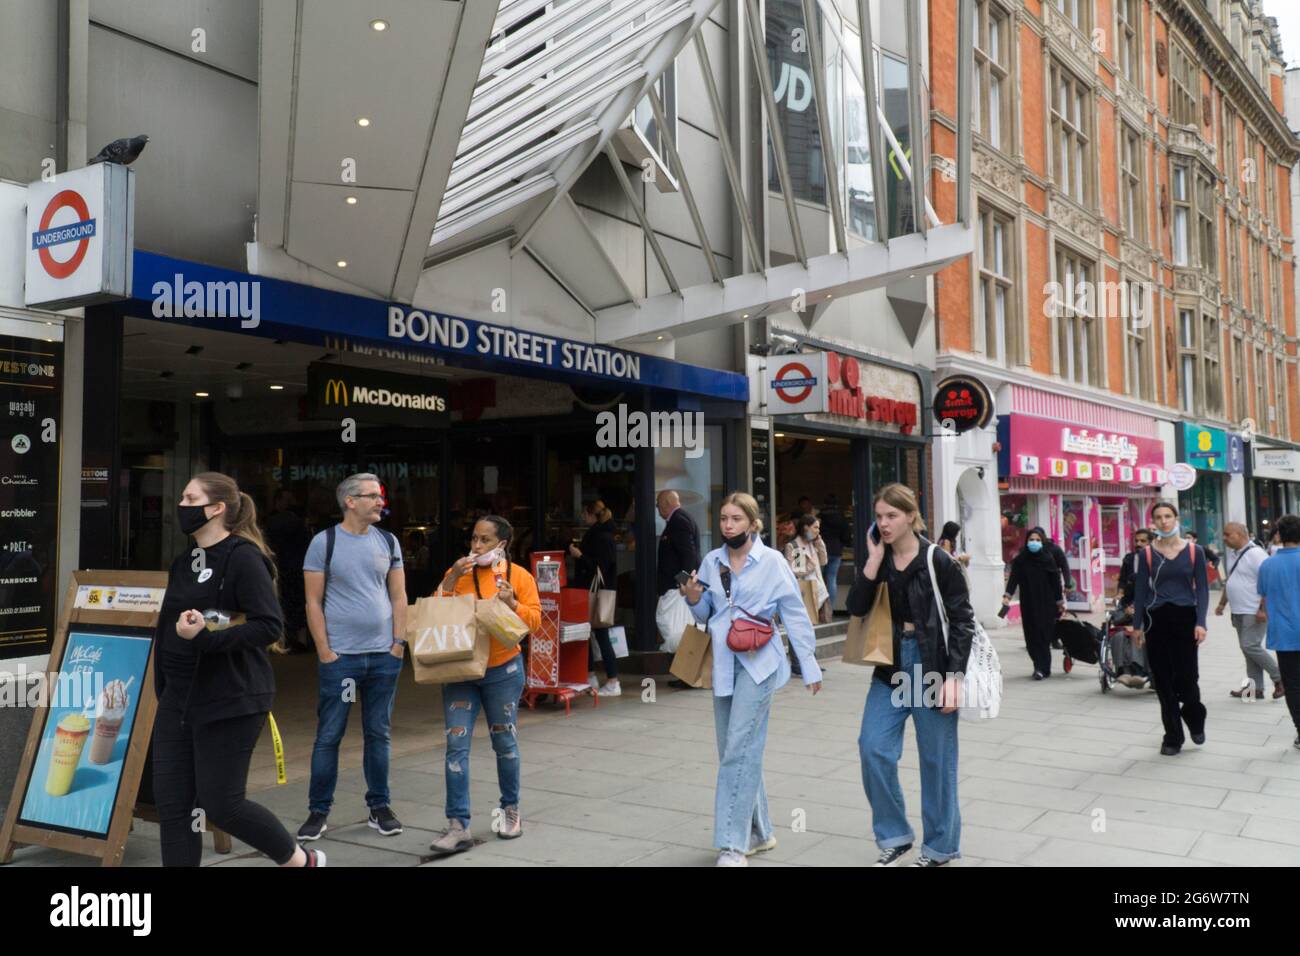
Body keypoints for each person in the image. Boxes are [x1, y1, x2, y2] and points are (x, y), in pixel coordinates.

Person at [153, 472, 323, 867]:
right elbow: (173, 623)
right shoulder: (183, 563)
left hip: (230, 698)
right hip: (179, 700)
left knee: (221, 804)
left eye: (189, 497)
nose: (181, 504)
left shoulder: (244, 558)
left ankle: (299, 861)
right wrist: (165, 682)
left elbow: (268, 625)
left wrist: (205, 636)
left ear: (217, 509)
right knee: (174, 807)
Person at [681, 492, 822, 867]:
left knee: (739, 749)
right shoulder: (712, 562)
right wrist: (693, 597)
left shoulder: (773, 562)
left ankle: (732, 844)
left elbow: (794, 612)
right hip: (723, 664)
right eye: (724, 519)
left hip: (760, 664)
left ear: (752, 523)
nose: (727, 525)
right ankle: (761, 831)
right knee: (734, 750)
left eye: (736, 519)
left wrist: (808, 665)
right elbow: (706, 610)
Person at [847, 483, 974, 867]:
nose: (884, 524)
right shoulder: (880, 559)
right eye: (880, 516)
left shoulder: (938, 561)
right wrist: (871, 560)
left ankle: (939, 848)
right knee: (872, 747)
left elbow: (962, 621)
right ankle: (895, 835)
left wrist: (955, 677)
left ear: (910, 516)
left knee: (937, 760)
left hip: (929, 662)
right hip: (890, 666)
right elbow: (855, 606)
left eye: (892, 516)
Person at [298, 474, 408, 842]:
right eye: (373, 496)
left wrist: (398, 644)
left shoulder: (388, 541)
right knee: (330, 735)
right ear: (350, 501)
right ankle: (318, 811)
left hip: (383, 657)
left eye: (381, 496)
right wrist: (325, 651)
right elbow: (312, 601)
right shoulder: (323, 542)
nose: (381, 502)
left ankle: (380, 807)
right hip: (341, 658)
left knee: (379, 733)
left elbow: (399, 597)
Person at [428, 515, 542, 855]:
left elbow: (535, 621)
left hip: (503, 670)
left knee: (504, 742)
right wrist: (450, 579)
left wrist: (512, 603)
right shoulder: (459, 575)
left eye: (485, 540)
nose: (476, 546)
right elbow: (435, 614)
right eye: (474, 539)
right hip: (461, 671)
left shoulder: (518, 576)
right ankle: (457, 825)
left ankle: (510, 811)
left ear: (502, 544)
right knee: (455, 746)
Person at [1133, 500, 1209, 756]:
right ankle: (1172, 737)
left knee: (1188, 679)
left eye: (1168, 516)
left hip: (1185, 619)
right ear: (1153, 522)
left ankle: (1195, 719)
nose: (1163, 521)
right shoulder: (1146, 554)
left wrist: (1201, 622)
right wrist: (1137, 626)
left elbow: (1203, 589)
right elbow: (1141, 589)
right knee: (1163, 681)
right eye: (1158, 517)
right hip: (1156, 620)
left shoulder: (1194, 551)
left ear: (1176, 519)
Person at [1215, 522, 1282, 701]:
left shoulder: (1256, 554)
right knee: (1248, 650)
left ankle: (1279, 678)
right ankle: (1255, 689)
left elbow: (1269, 581)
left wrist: (1263, 608)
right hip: (1238, 609)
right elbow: (1231, 580)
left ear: (1240, 534)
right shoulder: (1233, 554)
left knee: (1249, 645)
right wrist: (1222, 603)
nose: (1224, 538)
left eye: (1228, 534)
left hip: (1253, 610)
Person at [1256, 514, 1300, 752]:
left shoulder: (1268, 564)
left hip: (1284, 634)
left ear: (1279, 535)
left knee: (1293, 685)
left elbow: (1263, 596)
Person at [571, 499, 621, 697]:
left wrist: (579, 555)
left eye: (585, 513)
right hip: (598, 592)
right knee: (592, 634)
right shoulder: (603, 535)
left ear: (593, 515)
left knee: (600, 636)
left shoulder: (601, 537)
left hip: (597, 593)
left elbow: (599, 568)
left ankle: (612, 681)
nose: (583, 517)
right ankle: (592, 676)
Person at [1001, 528, 1065, 679]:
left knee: (1043, 635)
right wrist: (1007, 596)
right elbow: (1013, 579)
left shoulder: (1048, 559)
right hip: (1028, 603)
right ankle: (1038, 665)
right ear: (1026, 542)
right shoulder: (1021, 560)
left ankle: (1042, 668)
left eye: (1037, 540)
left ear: (1042, 542)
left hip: (1046, 604)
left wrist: (1059, 602)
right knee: (1031, 636)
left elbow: (1055, 582)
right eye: (1031, 540)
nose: (1034, 543)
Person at [656, 490, 702, 687]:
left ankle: (688, 675)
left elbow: (689, 554)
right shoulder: (681, 519)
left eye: (658, 505)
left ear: (666, 504)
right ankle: (686, 674)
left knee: (675, 629)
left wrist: (685, 582)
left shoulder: (679, 521)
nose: (657, 509)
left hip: (678, 588)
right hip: (677, 586)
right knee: (678, 629)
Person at [265, 489, 312, 652]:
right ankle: (299, 640)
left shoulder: (273, 522)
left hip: (283, 568)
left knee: (284, 603)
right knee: (298, 603)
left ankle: (283, 640)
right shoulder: (296, 522)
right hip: (295, 568)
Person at [783, 513, 830, 624]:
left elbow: (824, 561)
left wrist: (820, 543)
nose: (818, 530)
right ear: (805, 527)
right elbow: (798, 572)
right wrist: (810, 566)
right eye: (815, 527)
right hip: (806, 593)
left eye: (818, 528)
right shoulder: (795, 546)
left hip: (821, 592)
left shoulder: (813, 543)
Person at [818, 495, 849, 611]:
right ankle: (830, 608)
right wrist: (842, 544)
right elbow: (846, 535)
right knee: (832, 579)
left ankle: (819, 607)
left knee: (819, 578)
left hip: (821, 550)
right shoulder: (841, 517)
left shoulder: (820, 517)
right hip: (836, 550)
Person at [1117, 528, 1153, 611]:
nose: (1138, 544)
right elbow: (1122, 580)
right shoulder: (1129, 558)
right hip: (1130, 598)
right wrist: (1120, 594)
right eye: (1136, 541)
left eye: (1142, 541)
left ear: (1150, 543)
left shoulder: (1157, 559)